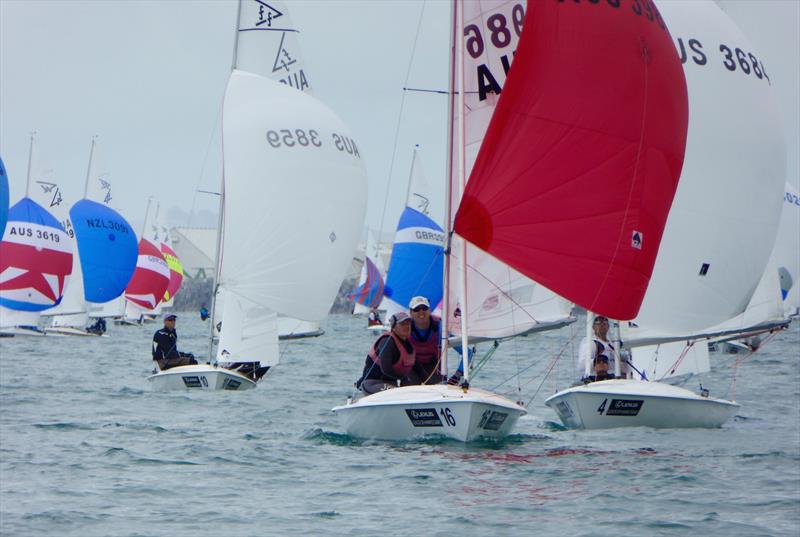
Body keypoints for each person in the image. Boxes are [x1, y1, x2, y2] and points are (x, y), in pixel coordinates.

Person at [356, 311, 416, 395]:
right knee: (399, 393)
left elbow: (417, 367)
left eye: (408, 324)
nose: (407, 326)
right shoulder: (387, 342)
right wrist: (403, 378)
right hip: (372, 384)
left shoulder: (409, 346)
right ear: (394, 327)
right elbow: (386, 369)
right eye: (402, 324)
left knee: (413, 392)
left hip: (391, 385)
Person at [577, 315, 628, 383]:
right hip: (596, 381)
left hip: (614, 379)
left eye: (604, 322)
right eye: (598, 323)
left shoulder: (611, 344)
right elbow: (581, 365)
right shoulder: (592, 344)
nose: (601, 325)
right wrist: (599, 362)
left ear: (608, 326)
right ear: (593, 327)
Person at [407, 296, 443, 384]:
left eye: (424, 308)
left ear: (429, 310)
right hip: (412, 368)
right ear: (411, 313)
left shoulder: (440, 327)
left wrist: (457, 376)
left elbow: (467, 353)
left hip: (434, 367)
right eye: (417, 309)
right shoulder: (405, 327)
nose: (421, 312)